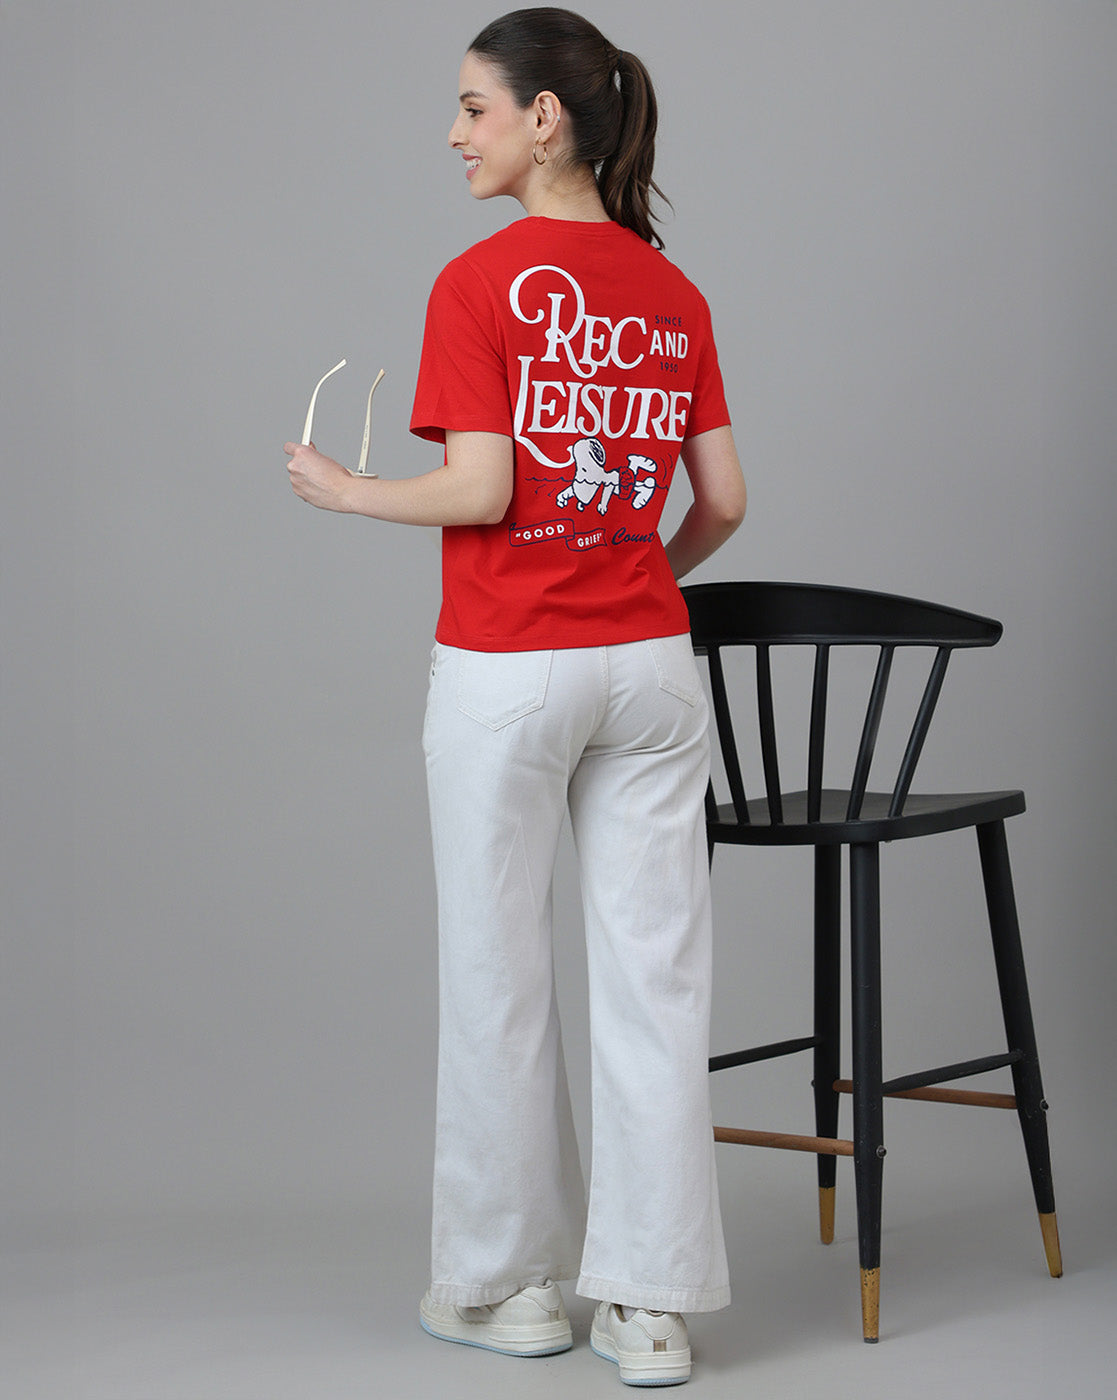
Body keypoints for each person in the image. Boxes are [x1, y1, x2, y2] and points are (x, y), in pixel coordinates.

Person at [285, 7, 747, 1387]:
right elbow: (725, 502)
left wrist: (349, 491)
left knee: (500, 978)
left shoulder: (478, 282)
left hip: (507, 667)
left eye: (473, 107)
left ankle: (513, 1290)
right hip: (649, 666)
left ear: (545, 120)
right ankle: (652, 1310)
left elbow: (482, 490)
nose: (453, 133)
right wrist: (630, 577)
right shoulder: (671, 291)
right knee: (656, 985)